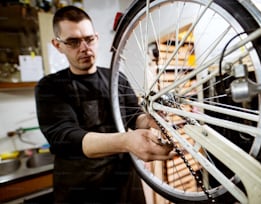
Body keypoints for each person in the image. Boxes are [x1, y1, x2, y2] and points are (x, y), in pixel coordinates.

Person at [35, 5, 175, 204]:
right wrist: (126, 141)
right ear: (58, 45)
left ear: (97, 38)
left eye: (89, 39)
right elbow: (65, 138)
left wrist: (151, 119)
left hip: (125, 187)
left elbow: (135, 119)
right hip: (81, 190)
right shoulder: (50, 87)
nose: (84, 48)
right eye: (73, 42)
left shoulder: (117, 78)